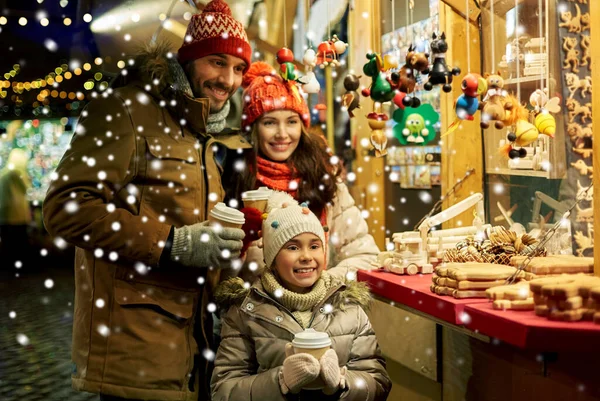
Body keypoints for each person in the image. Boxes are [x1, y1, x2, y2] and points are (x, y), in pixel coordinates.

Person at [42, 1, 252, 400]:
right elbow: (66, 208)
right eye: (217, 62)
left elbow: (195, 228)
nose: (229, 79)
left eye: (239, 68)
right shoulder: (124, 109)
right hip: (133, 346)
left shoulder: (200, 133)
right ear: (188, 60)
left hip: (191, 346)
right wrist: (172, 243)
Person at [211, 191, 391, 401]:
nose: (306, 256)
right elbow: (223, 391)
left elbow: (378, 383)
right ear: (272, 258)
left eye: (314, 246)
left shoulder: (349, 309)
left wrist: (343, 383)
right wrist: (280, 382)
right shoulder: (246, 313)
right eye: (293, 247)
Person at [226, 61, 380, 281]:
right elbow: (220, 283)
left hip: (320, 312)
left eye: (291, 122)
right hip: (257, 313)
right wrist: (240, 247)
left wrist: (320, 288)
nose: (282, 134)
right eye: (269, 123)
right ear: (252, 128)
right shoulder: (235, 181)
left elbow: (364, 255)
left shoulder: (323, 179)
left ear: (302, 126)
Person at [0, 148, 32, 271]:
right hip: (17, 215)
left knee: (8, 243)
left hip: (4, 214)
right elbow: (25, 189)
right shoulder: (17, 173)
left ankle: (9, 265)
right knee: (19, 243)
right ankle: (19, 266)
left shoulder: (4, 173)